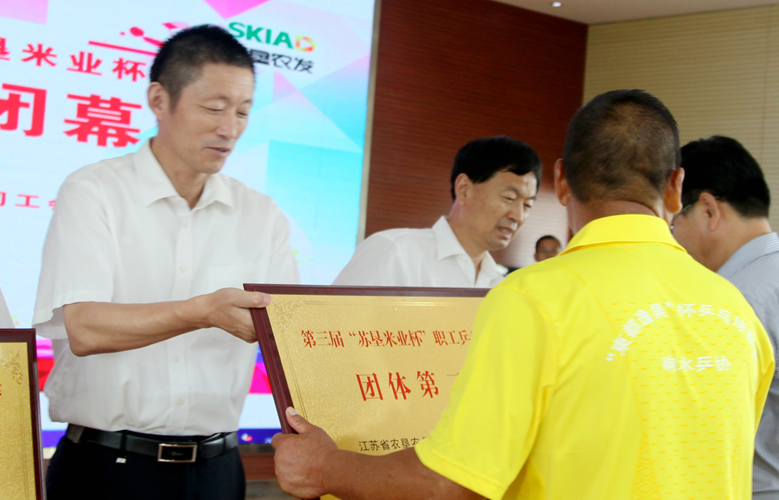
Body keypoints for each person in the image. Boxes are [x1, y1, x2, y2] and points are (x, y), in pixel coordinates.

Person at [271, 90, 774, 500]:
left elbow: (452, 483)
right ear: (676, 186)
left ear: (561, 181)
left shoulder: (535, 298)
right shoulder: (735, 309)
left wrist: (324, 467)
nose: (516, 212)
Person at [32, 25, 299, 500]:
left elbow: (288, 332)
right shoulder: (94, 191)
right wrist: (202, 312)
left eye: (242, 112)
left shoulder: (262, 215)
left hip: (218, 470)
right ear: (159, 100)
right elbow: (85, 328)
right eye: (214, 108)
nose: (229, 128)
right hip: (106, 468)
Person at [671, 135, 779, 500]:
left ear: (708, 210)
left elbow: (700, 428)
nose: (673, 240)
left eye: (673, 223)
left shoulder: (734, 303)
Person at [332, 136, 541, 287]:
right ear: (464, 190)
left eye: (527, 205)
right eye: (509, 198)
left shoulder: (500, 285)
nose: (518, 216)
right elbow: (334, 330)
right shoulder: (396, 251)